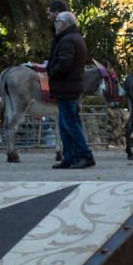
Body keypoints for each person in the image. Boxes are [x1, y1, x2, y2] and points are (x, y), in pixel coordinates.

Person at [49, 11, 96, 169]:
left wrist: (52, 71)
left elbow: (64, 64)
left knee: (70, 124)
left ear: (64, 23)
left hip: (67, 88)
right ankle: (69, 157)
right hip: (69, 88)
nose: (55, 24)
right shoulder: (73, 38)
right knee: (65, 124)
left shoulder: (68, 40)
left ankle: (85, 155)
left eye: (57, 22)